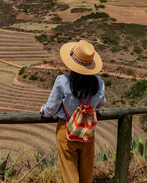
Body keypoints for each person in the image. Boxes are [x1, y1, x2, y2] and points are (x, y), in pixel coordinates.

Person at [40, 40, 106, 183]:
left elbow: (50, 109)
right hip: (87, 131)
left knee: (69, 176)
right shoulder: (99, 83)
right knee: (86, 176)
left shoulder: (62, 81)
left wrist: (43, 110)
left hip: (66, 130)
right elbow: (102, 103)